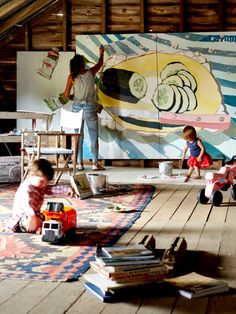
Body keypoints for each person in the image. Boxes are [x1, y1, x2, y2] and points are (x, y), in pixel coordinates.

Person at [63, 45, 105, 171]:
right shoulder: (90, 72)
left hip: (76, 108)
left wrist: (74, 97)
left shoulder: (71, 77)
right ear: (82, 64)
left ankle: (80, 164)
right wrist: (101, 53)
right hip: (89, 107)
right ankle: (94, 164)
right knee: (93, 136)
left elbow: (66, 95)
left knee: (79, 137)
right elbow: (100, 63)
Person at [7, 158, 74, 234]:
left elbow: (51, 189)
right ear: (31, 175)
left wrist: (66, 189)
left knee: (50, 217)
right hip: (23, 217)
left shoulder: (40, 185)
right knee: (27, 222)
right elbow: (26, 204)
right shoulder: (26, 188)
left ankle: (40, 227)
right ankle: (39, 227)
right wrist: (32, 217)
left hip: (36, 215)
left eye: (46, 182)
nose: (44, 184)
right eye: (42, 181)